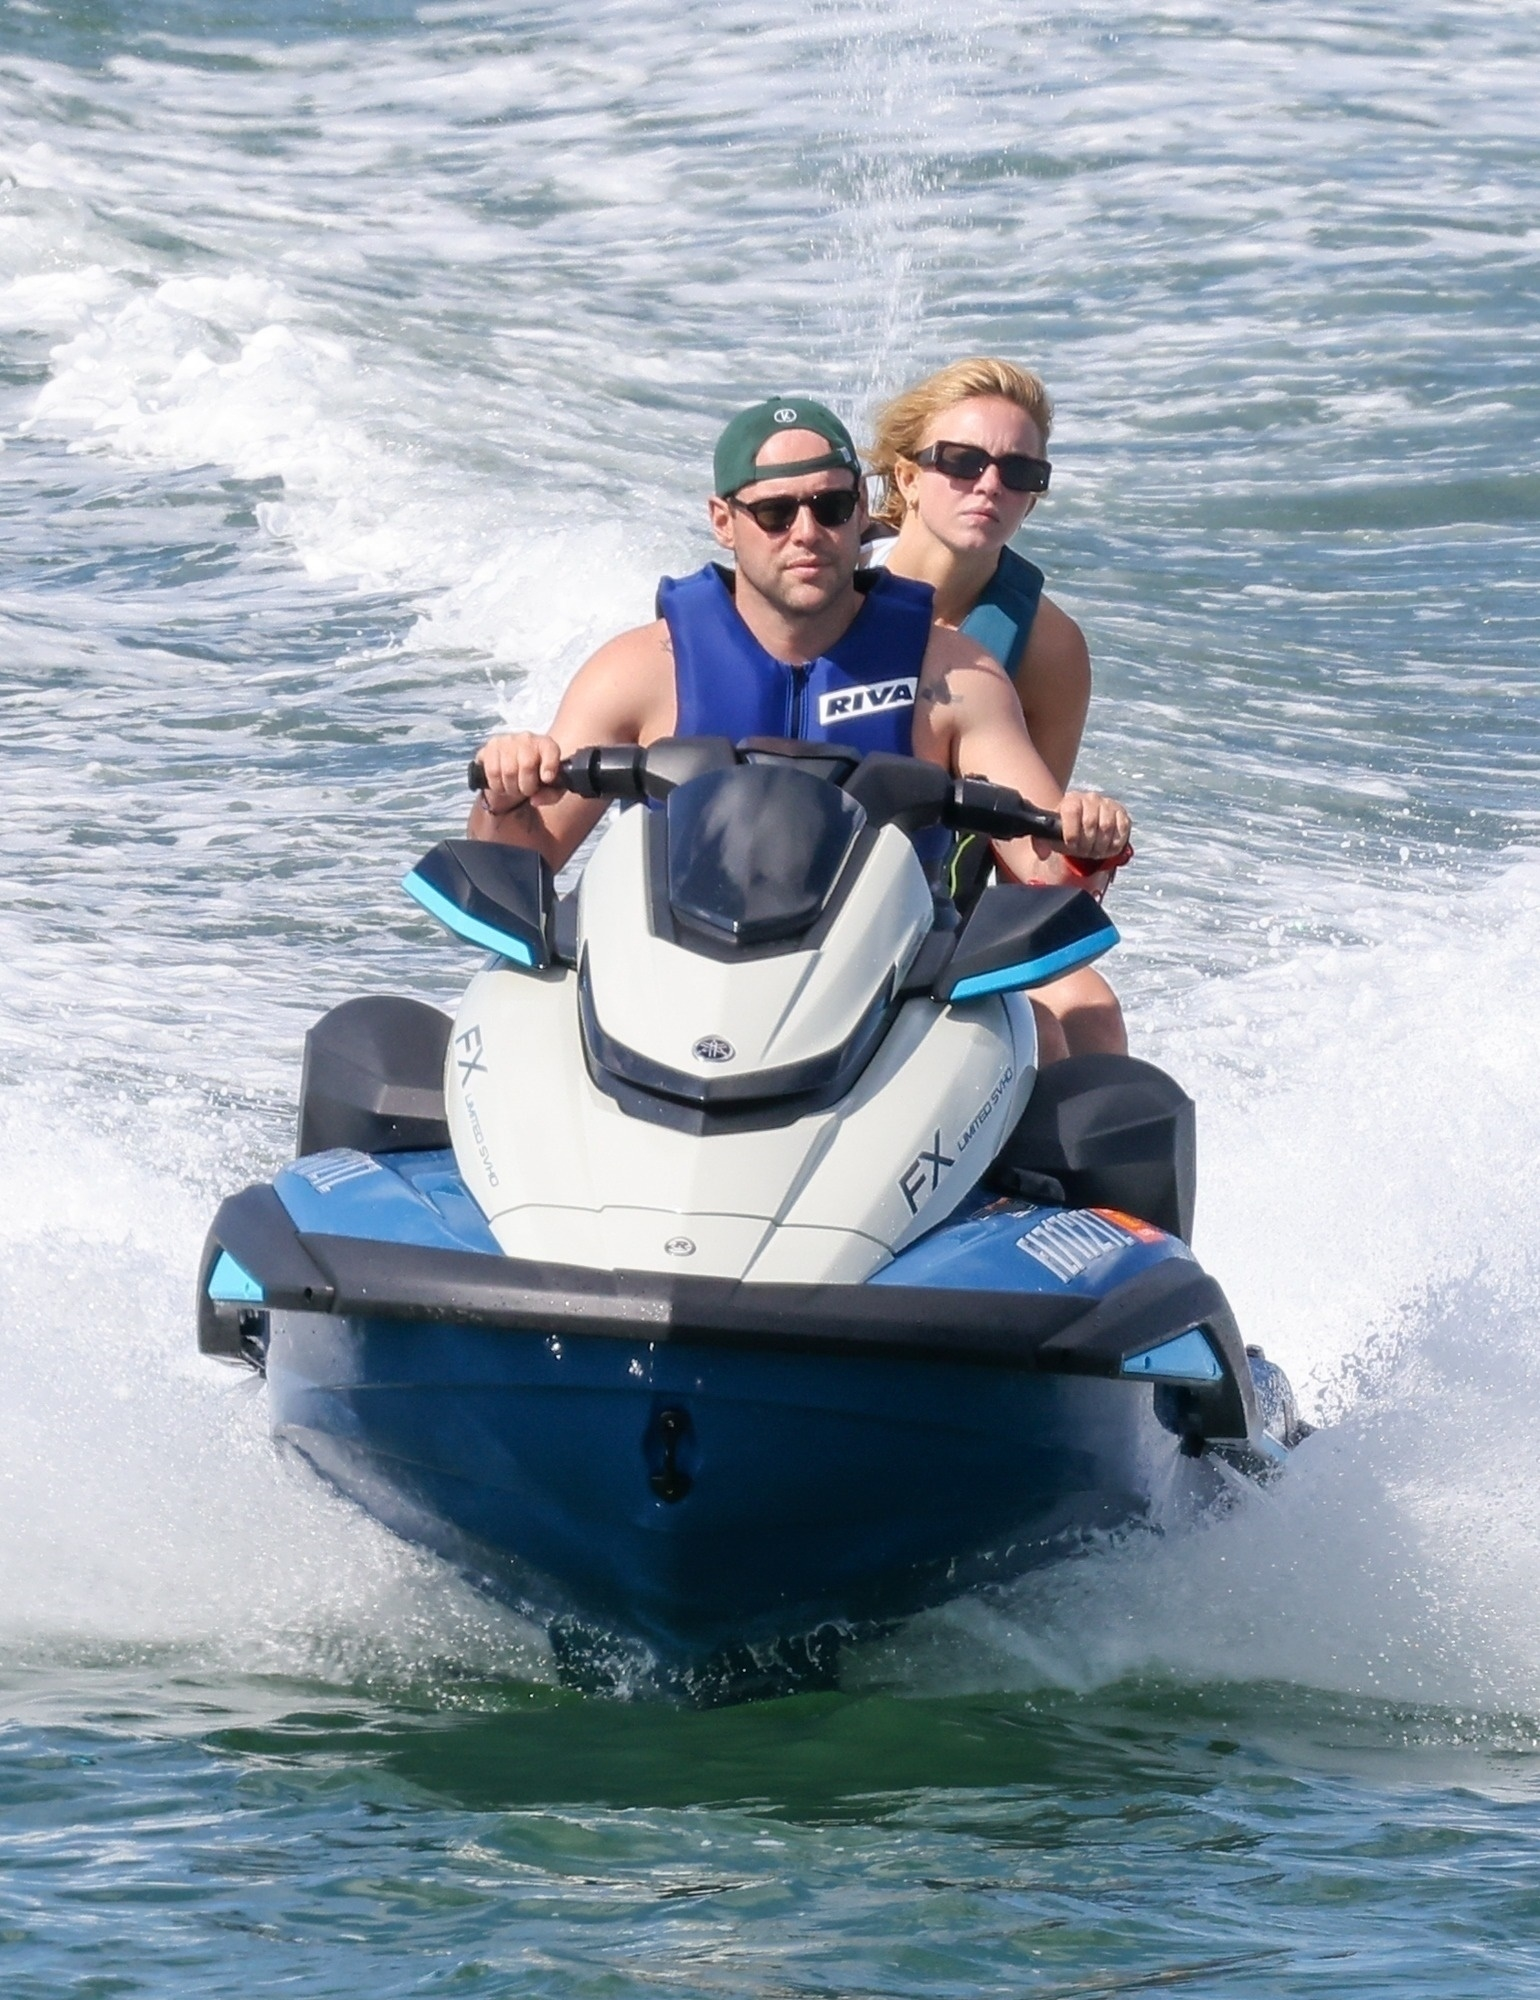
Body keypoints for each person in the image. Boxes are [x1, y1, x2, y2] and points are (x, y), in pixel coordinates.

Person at [470, 396, 1132, 1063]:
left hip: (889, 992)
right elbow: (521, 861)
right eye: (776, 513)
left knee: (1041, 1039)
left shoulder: (955, 677)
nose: (806, 532)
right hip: (667, 986)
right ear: (723, 521)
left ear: (863, 515)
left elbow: (1044, 868)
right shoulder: (640, 671)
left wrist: (1084, 835)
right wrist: (506, 792)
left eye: (831, 508)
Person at [867, 357, 1127, 1056]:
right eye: (961, 460)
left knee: (1087, 1012)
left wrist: (1081, 838)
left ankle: (1039, 1169)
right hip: (823, 876)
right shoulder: (834, 589)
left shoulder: (1048, 647)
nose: (990, 486)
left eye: (1020, 473)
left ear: (1035, 496)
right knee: (1038, 1025)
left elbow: (1025, 855)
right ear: (908, 477)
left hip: (949, 897)